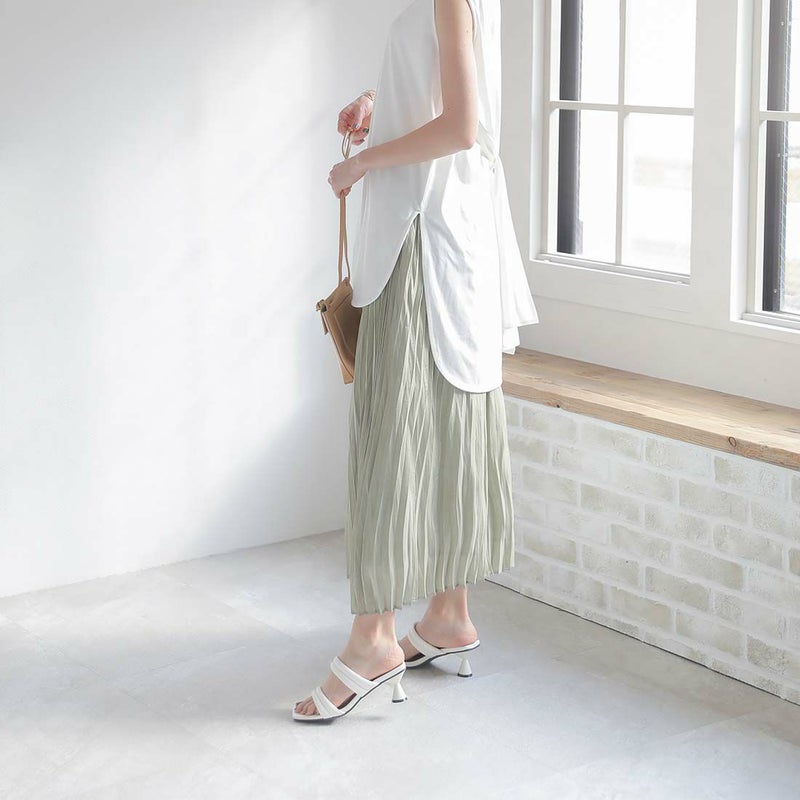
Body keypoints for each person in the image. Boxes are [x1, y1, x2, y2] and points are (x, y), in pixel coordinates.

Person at [293, 0, 539, 721]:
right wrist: (384, 102)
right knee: (446, 423)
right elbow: (458, 93)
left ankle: (373, 641)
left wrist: (361, 162)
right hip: (448, 234)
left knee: (392, 438)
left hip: (422, 240)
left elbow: (461, 127)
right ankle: (447, 615)